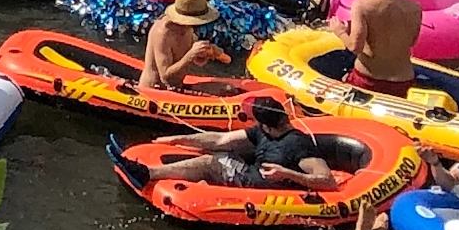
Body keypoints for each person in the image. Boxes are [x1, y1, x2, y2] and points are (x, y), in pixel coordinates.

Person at [138, 96, 340, 193]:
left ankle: (148, 173)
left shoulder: (298, 145)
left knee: (211, 162)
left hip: (263, 187)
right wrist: (177, 139)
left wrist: (287, 174)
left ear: (264, 124)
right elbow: (220, 140)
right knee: (215, 151)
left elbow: (327, 181)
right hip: (251, 175)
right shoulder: (263, 131)